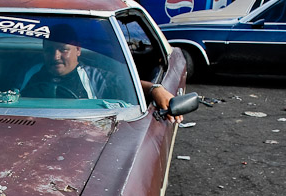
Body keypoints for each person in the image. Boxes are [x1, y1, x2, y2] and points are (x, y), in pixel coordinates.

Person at [21, 25, 183, 123]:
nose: (55, 57)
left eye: (63, 50)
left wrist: (156, 89)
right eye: (49, 50)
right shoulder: (30, 72)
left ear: (77, 50)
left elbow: (129, 84)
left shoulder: (95, 77)